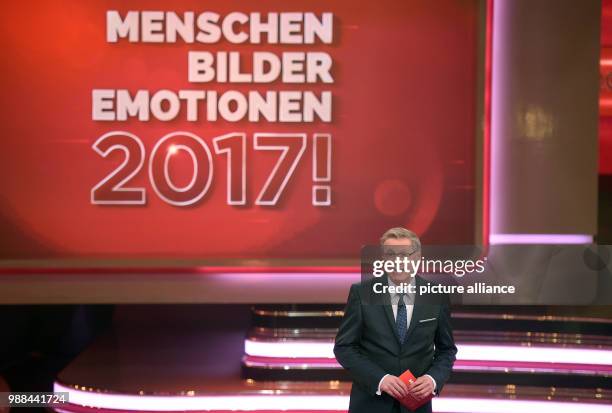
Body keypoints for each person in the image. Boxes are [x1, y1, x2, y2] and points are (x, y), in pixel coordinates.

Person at [334, 227, 457, 413]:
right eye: (390, 254)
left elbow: (446, 350)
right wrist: (380, 379)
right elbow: (344, 347)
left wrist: (433, 379)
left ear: (417, 258)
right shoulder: (362, 293)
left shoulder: (436, 295)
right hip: (370, 404)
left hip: (416, 405)